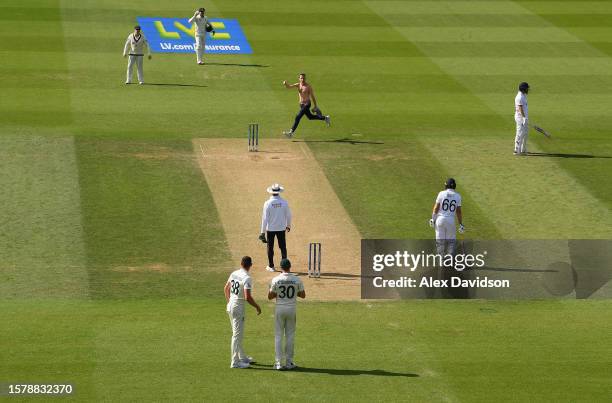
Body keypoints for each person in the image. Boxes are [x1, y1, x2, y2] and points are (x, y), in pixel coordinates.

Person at [224, 256, 261, 369]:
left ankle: (242, 357)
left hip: (231, 305)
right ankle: (235, 362)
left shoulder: (234, 273)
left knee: (237, 334)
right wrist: (257, 306)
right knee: (237, 335)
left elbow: (226, 288)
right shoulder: (247, 277)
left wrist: (230, 301)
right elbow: (247, 297)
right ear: (250, 265)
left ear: (241, 263)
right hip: (238, 307)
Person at [268, 258, 305, 370]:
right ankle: (289, 362)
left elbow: (270, 296)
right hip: (291, 309)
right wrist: (294, 292)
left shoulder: (276, 279)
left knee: (278, 335)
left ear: (280, 268)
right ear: (290, 267)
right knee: (290, 336)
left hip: (280, 308)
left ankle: (278, 363)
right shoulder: (297, 279)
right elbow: (303, 295)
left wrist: (277, 293)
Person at [282, 73, 330, 137]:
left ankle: (291, 132)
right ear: (299, 79)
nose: (303, 79)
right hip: (301, 105)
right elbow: (289, 87)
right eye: (301, 78)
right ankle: (325, 118)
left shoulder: (308, 86)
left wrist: (315, 106)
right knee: (310, 117)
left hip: (307, 104)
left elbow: (312, 97)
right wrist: (285, 84)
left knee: (298, 117)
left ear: (305, 79)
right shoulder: (298, 85)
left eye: (304, 78)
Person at [259, 183, 292, 272]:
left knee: (270, 247)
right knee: (283, 247)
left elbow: (264, 218)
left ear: (271, 192)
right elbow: (289, 215)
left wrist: (262, 232)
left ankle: (271, 266)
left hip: (271, 229)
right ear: (279, 192)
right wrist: (288, 225)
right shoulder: (284, 202)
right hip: (281, 228)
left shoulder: (267, 203)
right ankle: (284, 267)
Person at [429, 178, 464, 256]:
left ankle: (441, 258)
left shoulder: (441, 194)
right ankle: (449, 259)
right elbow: (458, 211)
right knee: (451, 242)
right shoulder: (458, 196)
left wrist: (433, 219)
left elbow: (436, 208)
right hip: (451, 221)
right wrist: (461, 224)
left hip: (440, 220)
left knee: (440, 242)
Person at [514, 82, 530, 155]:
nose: (528, 89)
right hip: (520, 118)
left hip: (524, 118)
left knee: (525, 133)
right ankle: (516, 150)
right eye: (527, 88)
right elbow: (520, 108)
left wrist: (526, 118)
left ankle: (523, 149)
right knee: (520, 134)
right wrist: (524, 118)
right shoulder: (519, 97)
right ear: (523, 89)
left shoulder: (523, 95)